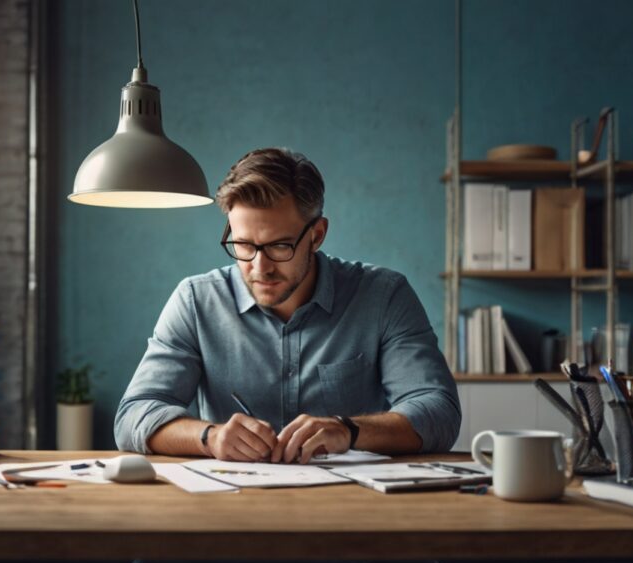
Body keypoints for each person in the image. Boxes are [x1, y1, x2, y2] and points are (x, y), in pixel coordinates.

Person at [115, 147, 460, 464]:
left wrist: (349, 431)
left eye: (280, 246)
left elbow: (439, 412)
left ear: (317, 235)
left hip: (353, 507)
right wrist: (210, 437)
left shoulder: (384, 296)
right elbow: (133, 415)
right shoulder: (195, 301)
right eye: (244, 245)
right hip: (229, 506)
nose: (259, 267)